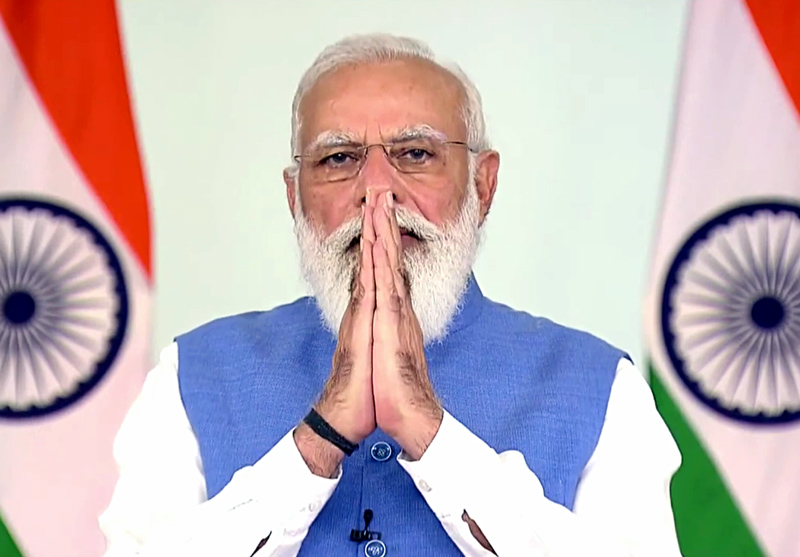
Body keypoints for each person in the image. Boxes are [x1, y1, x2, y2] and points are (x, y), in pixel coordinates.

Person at [99, 34, 683, 557]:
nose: (376, 190)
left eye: (416, 154)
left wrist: (432, 436)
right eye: (339, 159)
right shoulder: (193, 373)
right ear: (294, 198)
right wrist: (319, 439)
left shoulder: (599, 385)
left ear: (482, 186)